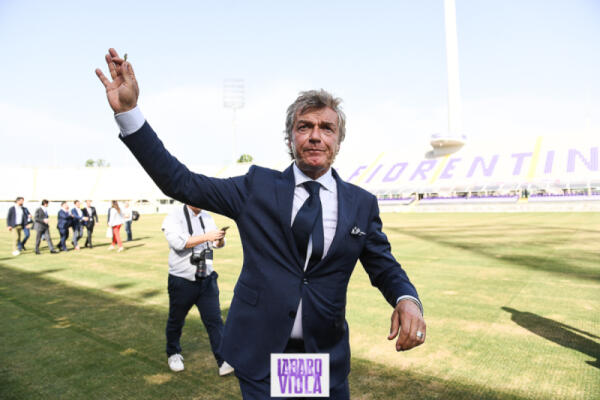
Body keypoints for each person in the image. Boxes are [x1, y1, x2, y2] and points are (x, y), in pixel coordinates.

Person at [97, 48, 426, 399]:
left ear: (338, 141)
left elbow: (384, 266)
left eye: (327, 128)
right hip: (262, 356)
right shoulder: (257, 187)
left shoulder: (361, 204)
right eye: (305, 127)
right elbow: (182, 183)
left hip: (321, 357)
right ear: (290, 138)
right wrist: (129, 113)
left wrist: (407, 299)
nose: (316, 136)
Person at [161, 204, 234, 376]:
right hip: (182, 279)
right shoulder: (174, 215)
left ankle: (222, 360)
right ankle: (173, 353)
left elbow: (215, 244)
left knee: (214, 320)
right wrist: (207, 236)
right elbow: (179, 243)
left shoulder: (206, 216)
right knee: (176, 319)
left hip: (206, 277)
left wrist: (219, 239)